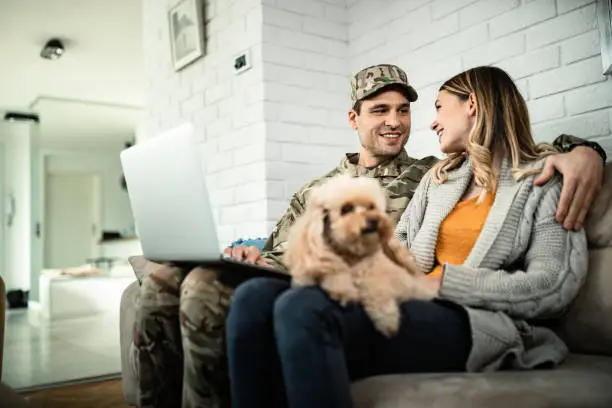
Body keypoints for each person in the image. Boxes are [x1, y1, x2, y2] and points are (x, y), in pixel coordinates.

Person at [134, 64, 606, 408]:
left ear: (474, 108)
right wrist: (254, 252)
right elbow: (383, 249)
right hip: (382, 292)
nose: (409, 122)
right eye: (381, 110)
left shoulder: (524, 182)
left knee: (280, 303)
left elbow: (550, 279)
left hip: (469, 315)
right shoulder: (438, 180)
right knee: (247, 292)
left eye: (416, 110)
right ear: (354, 118)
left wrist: (584, 150)